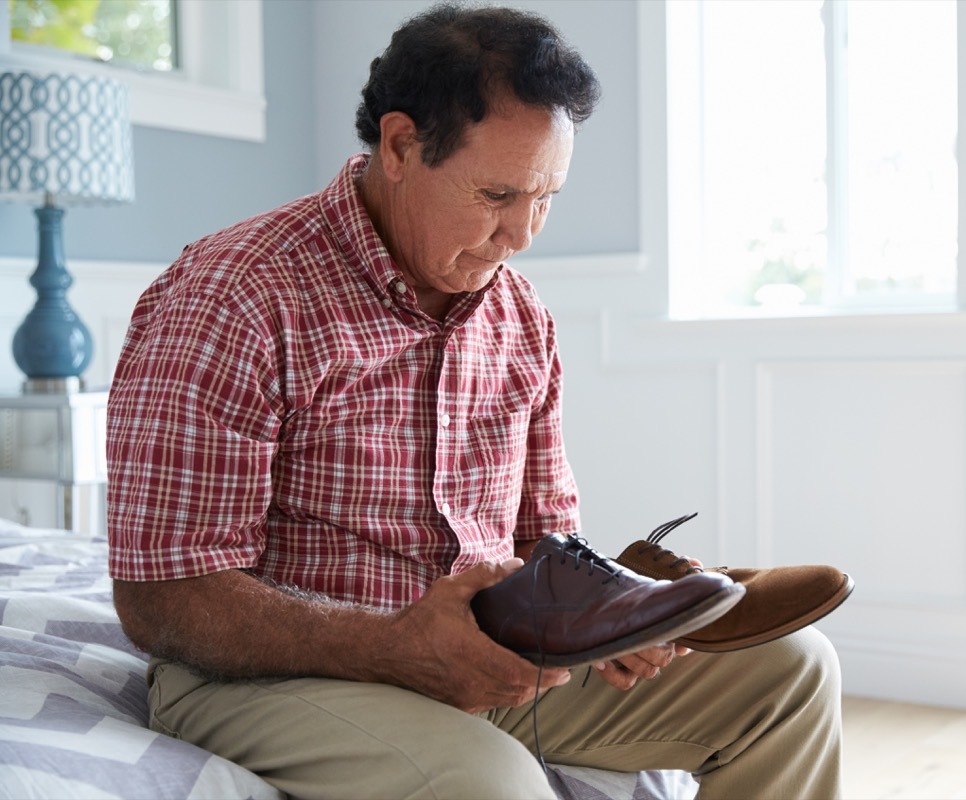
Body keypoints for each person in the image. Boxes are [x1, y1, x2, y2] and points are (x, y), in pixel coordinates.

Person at [106, 3, 844, 798]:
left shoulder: (521, 317)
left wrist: (606, 620)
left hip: (494, 656)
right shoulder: (236, 295)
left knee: (793, 674)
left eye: (546, 195)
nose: (524, 232)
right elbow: (162, 597)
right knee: (488, 782)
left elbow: (538, 541)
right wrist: (396, 644)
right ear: (399, 145)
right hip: (270, 678)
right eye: (497, 193)